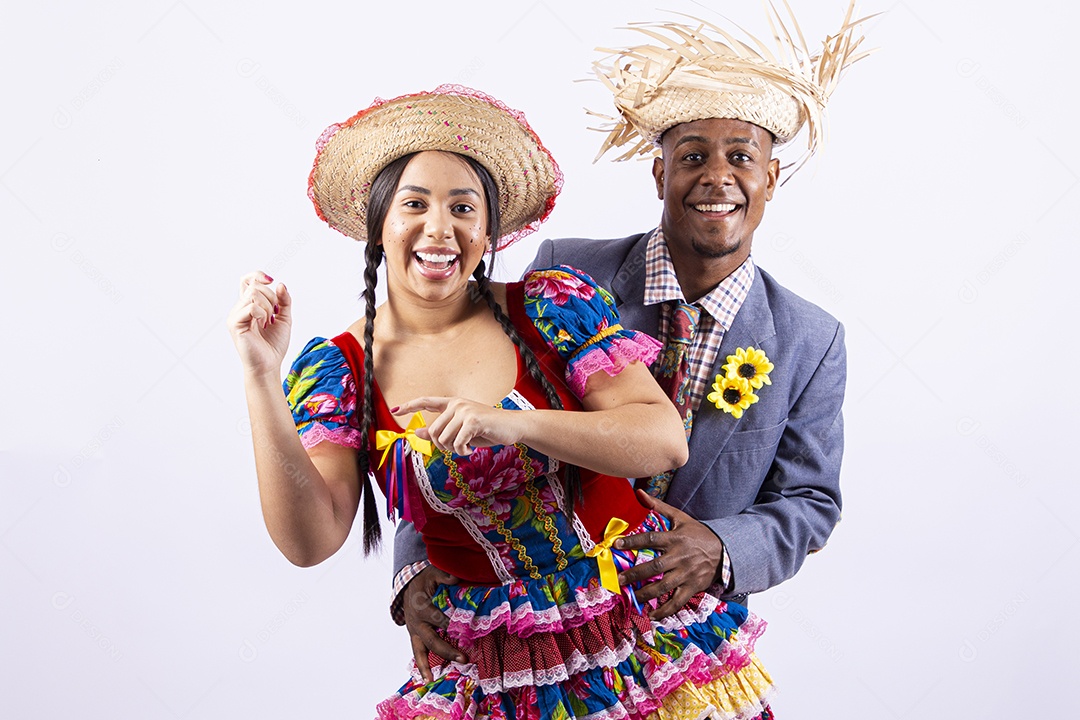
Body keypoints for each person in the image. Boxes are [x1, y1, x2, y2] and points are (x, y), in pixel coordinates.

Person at [228, 86, 776, 719]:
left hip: (637, 628)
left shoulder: (549, 307)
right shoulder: (340, 371)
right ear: (380, 225)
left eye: (464, 207)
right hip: (496, 664)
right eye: (415, 204)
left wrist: (515, 425)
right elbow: (309, 541)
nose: (441, 228)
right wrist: (260, 375)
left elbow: (661, 439)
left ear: (487, 230)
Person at [397, 1, 870, 685]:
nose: (717, 176)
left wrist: (718, 547)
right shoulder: (565, 277)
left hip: (685, 642)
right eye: (692, 156)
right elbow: (445, 412)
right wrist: (415, 569)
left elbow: (811, 503)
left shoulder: (811, 340)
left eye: (741, 156)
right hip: (526, 628)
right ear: (659, 174)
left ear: (771, 178)